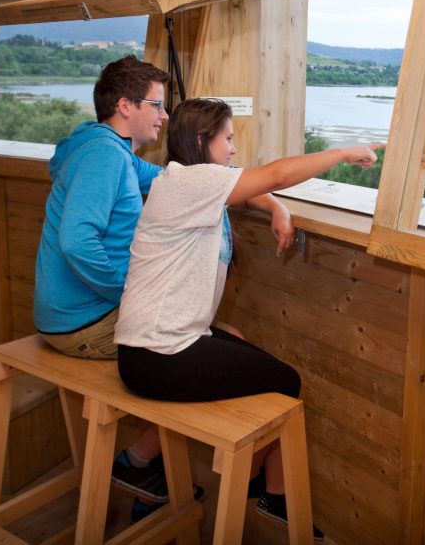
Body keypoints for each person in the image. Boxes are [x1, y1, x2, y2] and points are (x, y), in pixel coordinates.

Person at [33, 57, 294, 519]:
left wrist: (273, 204)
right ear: (124, 105)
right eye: (156, 104)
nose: (164, 114)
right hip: (82, 321)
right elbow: (77, 241)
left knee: (202, 342)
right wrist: (130, 290)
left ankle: (145, 473)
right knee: (189, 344)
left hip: (72, 312)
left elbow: (195, 182)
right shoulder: (102, 157)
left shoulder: (113, 154)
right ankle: (143, 465)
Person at [115, 98, 382, 540]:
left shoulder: (184, 179)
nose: (234, 149)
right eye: (229, 139)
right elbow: (274, 174)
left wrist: (276, 208)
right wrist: (340, 153)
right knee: (286, 381)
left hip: (154, 344)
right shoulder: (192, 182)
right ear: (204, 141)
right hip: (157, 353)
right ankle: (260, 492)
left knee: (240, 343)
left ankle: (153, 471)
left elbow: (254, 189)